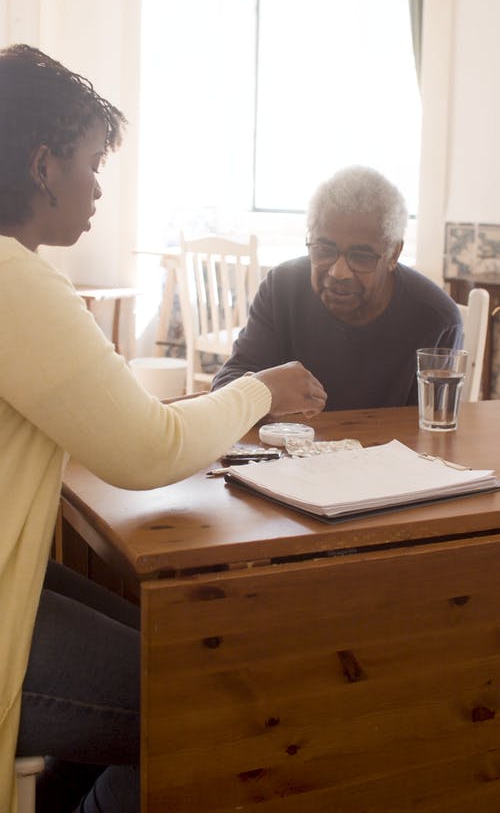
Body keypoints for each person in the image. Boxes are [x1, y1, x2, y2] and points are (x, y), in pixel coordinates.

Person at [0, 44, 327, 813]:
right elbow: (148, 450)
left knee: (168, 644)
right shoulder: (18, 281)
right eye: (91, 162)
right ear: (44, 165)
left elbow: (121, 422)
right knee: (207, 705)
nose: (99, 187)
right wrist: (261, 389)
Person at [212, 166, 463, 409]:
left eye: (361, 256)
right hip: (291, 451)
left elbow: (434, 432)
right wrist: (265, 388)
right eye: (323, 250)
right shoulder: (281, 289)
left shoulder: (435, 319)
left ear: (393, 253)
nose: (338, 272)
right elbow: (224, 390)